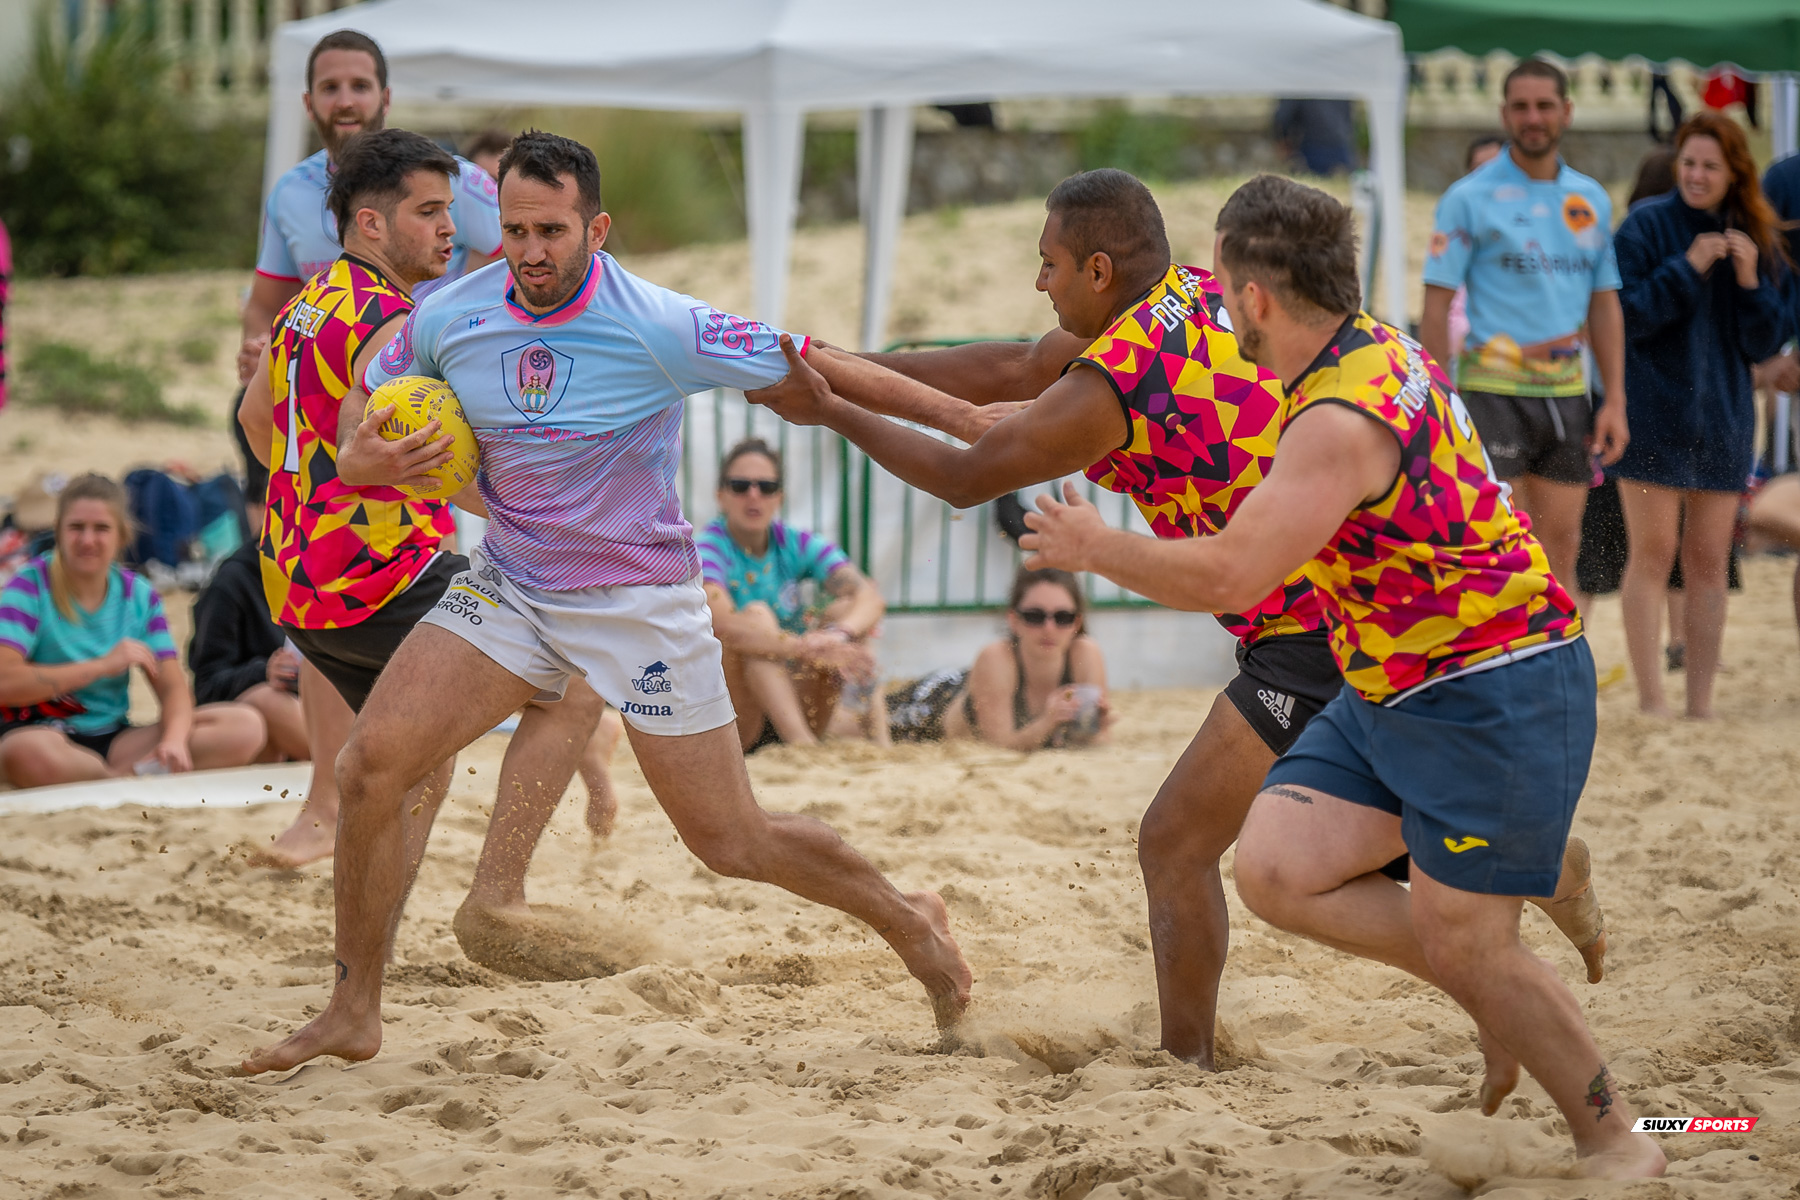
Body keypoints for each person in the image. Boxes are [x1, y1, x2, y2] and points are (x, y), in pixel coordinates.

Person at [745, 167, 1604, 1071]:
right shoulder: (1193, 292)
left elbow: (971, 472)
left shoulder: (1115, 385)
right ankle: (1541, 871)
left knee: (1185, 844)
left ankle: (1196, 1062)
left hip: (1312, 631)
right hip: (1340, 618)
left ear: (1101, 270)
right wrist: (833, 364)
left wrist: (834, 407)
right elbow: (1006, 368)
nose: (1041, 283)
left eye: (1049, 265)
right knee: (1352, 847)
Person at [240, 130, 970, 1076]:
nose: (530, 252)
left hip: (638, 605)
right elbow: (355, 414)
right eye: (512, 230)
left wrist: (969, 421)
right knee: (372, 767)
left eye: (551, 230)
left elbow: (812, 360)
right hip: (511, 587)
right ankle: (352, 1009)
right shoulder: (451, 312)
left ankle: (913, 925)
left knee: (730, 840)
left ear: (597, 227)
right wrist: (362, 458)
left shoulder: (655, 321)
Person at [1017, 174, 1664, 1179]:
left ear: (1260, 298)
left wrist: (1095, 546)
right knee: (1277, 866)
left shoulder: (1338, 417)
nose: (1214, 305)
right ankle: (1535, 891)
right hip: (1392, 681)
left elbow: (1235, 570)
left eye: (1226, 287)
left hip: (1494, 685)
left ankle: (1618, 1132)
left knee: (1468, 945)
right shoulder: (1349, 350)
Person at [238, 129, 614, 989]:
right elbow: (435, 462)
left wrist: (317, 492)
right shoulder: (391, 321)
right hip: (378, 580)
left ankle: (371, 952)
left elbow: (259, 424)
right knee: (579, 682)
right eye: (432, 211)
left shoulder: (308, 304)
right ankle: (498, 897)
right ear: (372, 223)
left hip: (294, 585)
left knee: (418, 761)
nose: (454, 229)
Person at [1421, 58, 1629, 598]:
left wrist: (1615, 401)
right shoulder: (1467, 197)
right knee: (1499, 548)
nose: (1532, 117)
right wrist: (1438, 398)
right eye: (1520, 107)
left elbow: (1604, 305)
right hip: (1490, 395)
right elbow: (1437, 305)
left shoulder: (1590, 199)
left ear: (1567, 111)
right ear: (1504, 113)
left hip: (1567, 398)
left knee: (1562, 548)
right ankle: (1501, 671)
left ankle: (1556, 671)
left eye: (1544, 106)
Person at [1611, 113, 1789, 719]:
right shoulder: (1644, 225)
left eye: (1710, 166)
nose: (1696, 175)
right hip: (1653, 415)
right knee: (1653, 554)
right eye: (1689, 162)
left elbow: (1766, 342)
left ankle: (1701, 704)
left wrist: (1746, 281)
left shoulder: (1756, 234)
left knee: (1710, 562)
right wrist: (1685, 269)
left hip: (1724, 423)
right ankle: (1652, 701)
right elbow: (1626, 316)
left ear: (1733, 171)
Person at [0, 474, 266, 787]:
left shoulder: (139, 594)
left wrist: (174, 740)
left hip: (114, 740)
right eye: (76, 528)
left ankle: (112, 777)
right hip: (41, 734)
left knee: (245, 726)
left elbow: (171, 689)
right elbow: (6, 682)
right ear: (58, 531)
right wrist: (100, 667)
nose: (88, 540)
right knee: (25, 751)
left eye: (101, 528)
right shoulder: (27, 586)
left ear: (122, 534)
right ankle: (120, 781)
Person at [698, 437, 886, 750]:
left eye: (766, 487)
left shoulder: (793, 542)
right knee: (756, 618)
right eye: (740, 485)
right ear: (721, 496)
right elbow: (726, 626)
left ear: (779, 497)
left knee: (845, 613)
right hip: (739, 716)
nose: (754, 495)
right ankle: (804, 747)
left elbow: (870, 596)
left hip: (796, 698)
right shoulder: (708, 547)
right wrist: (807, 647)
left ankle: (882, 741)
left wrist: (838, 635)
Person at [887, 566, 1109, 750]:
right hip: (935, 703)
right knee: (863, 723)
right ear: (1013, 620)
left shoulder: (1086, 653)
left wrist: (1100, 727)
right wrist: (1047, 723)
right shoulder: (996, 656)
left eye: (1063, 617)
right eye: (1034, 616)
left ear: (1076, 623)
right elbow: (998, 747)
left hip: (976, 684)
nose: (1048, 628)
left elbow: (1090, 742)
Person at [187, 479, 311, 765]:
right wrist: (264, 671)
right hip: (250, 713)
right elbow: (205, 685)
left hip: (307, 706)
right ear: (260, 510)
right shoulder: (232, 582)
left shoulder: (325, 568)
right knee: (270, 700)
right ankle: (347, 761)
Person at [1445, 135, 1505, 369]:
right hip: (1471, 364)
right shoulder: (1455, 233)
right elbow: (1446, 309)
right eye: (1478, 172)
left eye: (1496, 170)